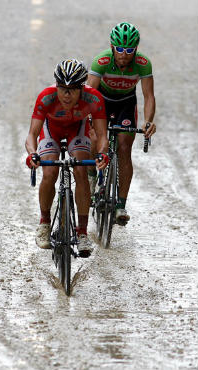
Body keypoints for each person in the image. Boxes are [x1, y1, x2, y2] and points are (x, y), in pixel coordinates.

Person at [25, 59, 109, 253]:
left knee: (80, 171)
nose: (66, 95)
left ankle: (82, 233)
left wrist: (102, 154)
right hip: (51, 130)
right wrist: (33, 154)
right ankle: (44, 224)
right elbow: (32, 134)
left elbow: (102, 135)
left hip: (77, 129)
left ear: (82, 88)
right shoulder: (46, 97)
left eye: (72, 89)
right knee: (49, 173)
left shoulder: (94, 98)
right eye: (62, 88)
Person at [87, 22, 156, 225]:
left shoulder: (143, 63)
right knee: (95, 139)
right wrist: (88, 121)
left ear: (135, 49)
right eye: (119, 49)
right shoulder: (102, 61)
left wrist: (148, 121)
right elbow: (90, 93)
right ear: (112, 46)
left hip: (126, 103)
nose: (124, 54)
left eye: (129, 50)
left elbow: (149, 96)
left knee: (125, 148)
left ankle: (121, 205)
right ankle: (91, 177)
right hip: (102, 103)